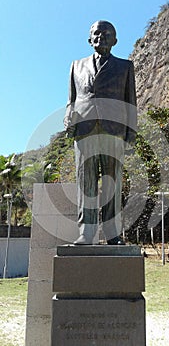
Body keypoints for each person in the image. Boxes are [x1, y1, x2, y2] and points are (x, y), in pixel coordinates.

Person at [64, 20, 137, 244]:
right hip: (85, 129)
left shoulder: (125, 67)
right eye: (97, 34)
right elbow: (72, 100)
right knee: (85, 183)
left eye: (107, 35)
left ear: (115, 41)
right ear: (89, 39)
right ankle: (86, 232)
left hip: (113, 130)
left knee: (112, 184)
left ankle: (113, 233)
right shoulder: (76, 65)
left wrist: (130, 134)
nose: (101, 38)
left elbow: (130, 103)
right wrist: (69, 118)